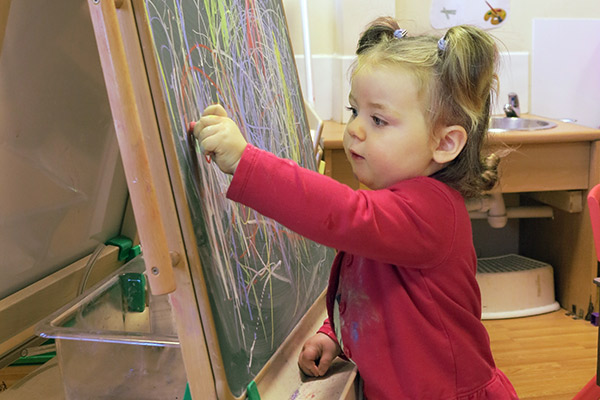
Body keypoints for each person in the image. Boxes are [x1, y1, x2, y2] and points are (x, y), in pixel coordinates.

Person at [193, 16, 518, 400]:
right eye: (353, 112)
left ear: (445, 144)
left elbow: (342, 214)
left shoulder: (432, 210)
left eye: (378, 119)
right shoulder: (394, 201)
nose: (355, 130)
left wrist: (246, 162)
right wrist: (336, 334)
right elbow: (371, 290)